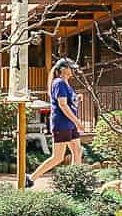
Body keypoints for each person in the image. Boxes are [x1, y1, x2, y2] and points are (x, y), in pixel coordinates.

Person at [26, 58, 86, 186]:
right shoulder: (59, 83)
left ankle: (76, 181)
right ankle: (31, 178)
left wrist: (77, 98)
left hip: (70, 124)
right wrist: (77, 122)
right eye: (70, 68)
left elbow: (68, 102)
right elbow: (62, 105)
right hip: (62, 124)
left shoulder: (66, 84)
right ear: (63, 69)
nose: (73, 71)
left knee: (77, 150)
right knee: (58, 157)